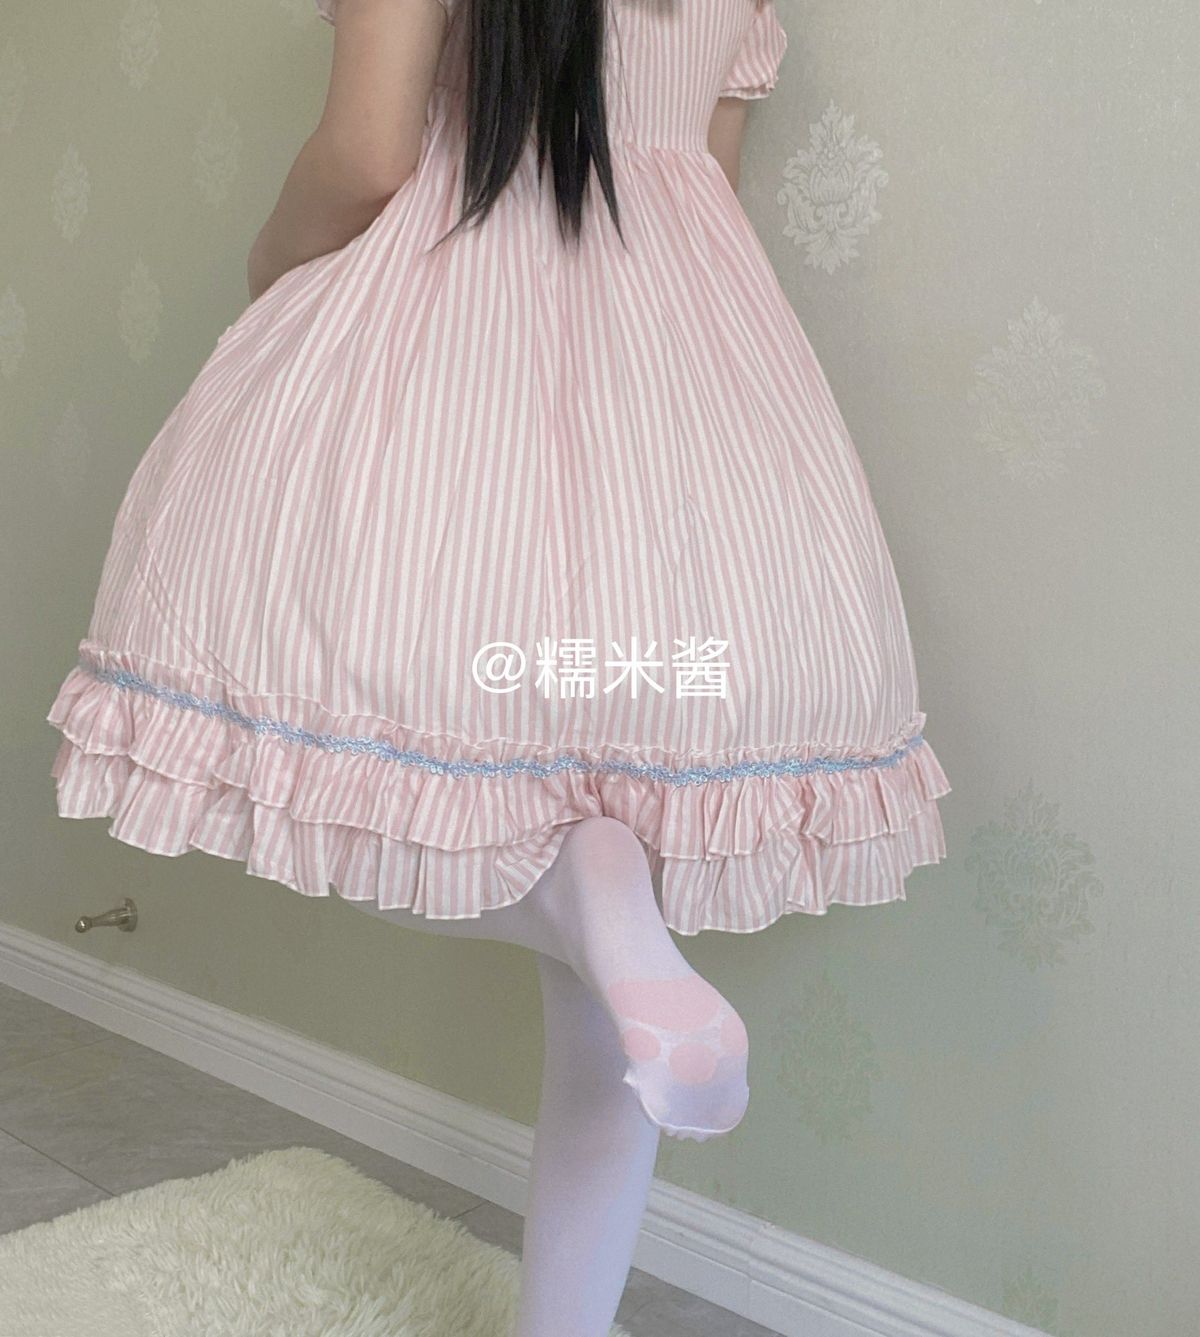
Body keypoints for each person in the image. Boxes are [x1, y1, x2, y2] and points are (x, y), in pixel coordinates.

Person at [44, 0, 952, 1331]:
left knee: (388, 788)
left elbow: (369, 154)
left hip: (457, 373)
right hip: (690, 397)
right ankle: (597, 937)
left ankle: (580, 889)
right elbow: (709, 185)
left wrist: (268, 265)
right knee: (611, 991)